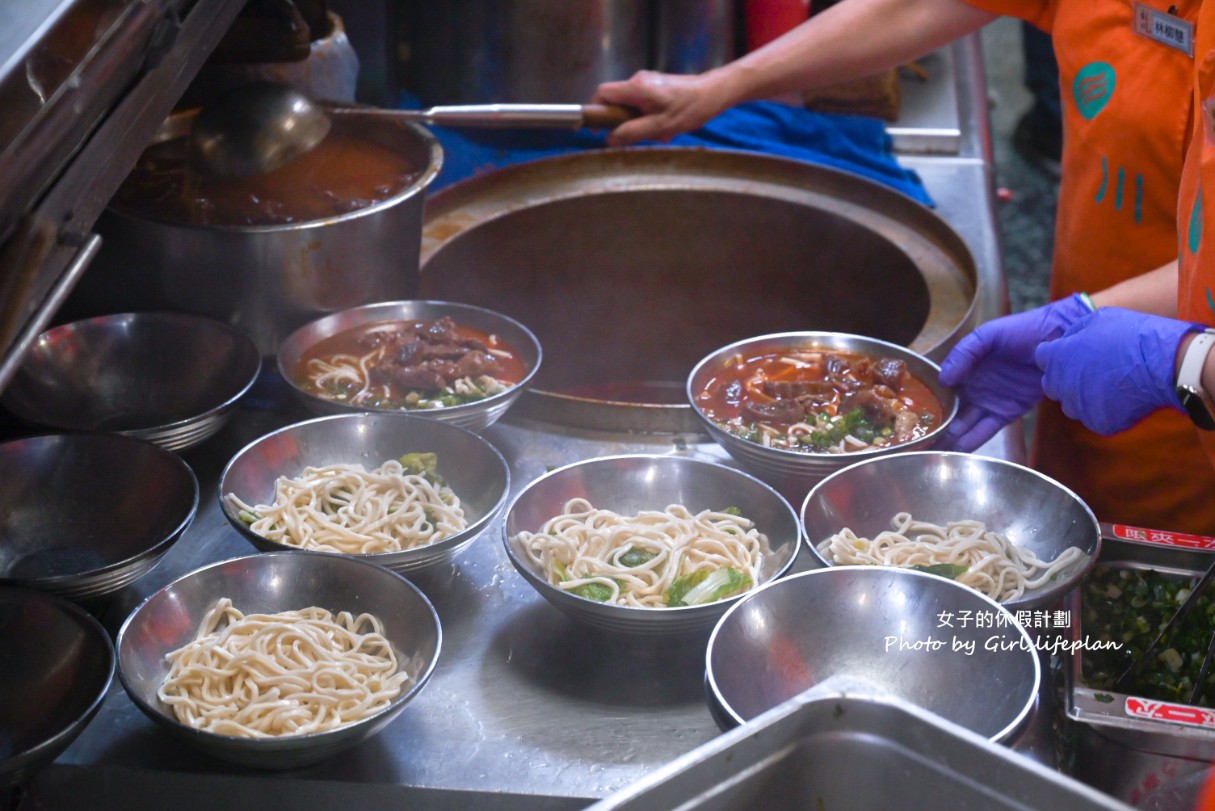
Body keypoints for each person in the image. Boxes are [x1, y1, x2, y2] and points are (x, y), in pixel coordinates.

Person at [595, 0, 1215, 534]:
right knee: (1086, 579)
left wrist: (1176, 356)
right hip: (1099, 352)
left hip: (1189, 404)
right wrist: (721, 86)